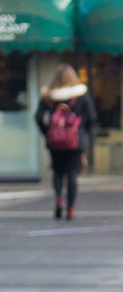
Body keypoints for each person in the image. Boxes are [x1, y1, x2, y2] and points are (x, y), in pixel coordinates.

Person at [35, 63, 97, 220]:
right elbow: (92, 117)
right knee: (71, 174)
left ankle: (59, 199)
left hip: (55, 141)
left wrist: (46, 132)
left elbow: (37, 117)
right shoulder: (81, 95)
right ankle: (70, 209)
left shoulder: (49, 95)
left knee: (57, 171)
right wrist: (83, 133)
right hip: (75, 142)